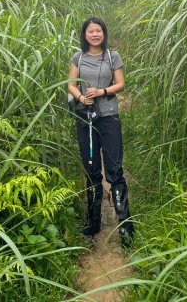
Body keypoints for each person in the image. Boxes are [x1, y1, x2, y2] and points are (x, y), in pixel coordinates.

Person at [68, 16, 134, 247]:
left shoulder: (112, 57)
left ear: (104, 33)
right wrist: (80, 97)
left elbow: (121, 84)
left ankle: (125, 224)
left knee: (115, 170)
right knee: (92, 169)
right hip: (85, 118)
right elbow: (70, 84)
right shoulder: (78, 57)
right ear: (84, 35)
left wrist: (102, 91)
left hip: (109, 118)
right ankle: (93, 221)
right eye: (90, 31)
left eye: (98, 31)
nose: (95, 34)